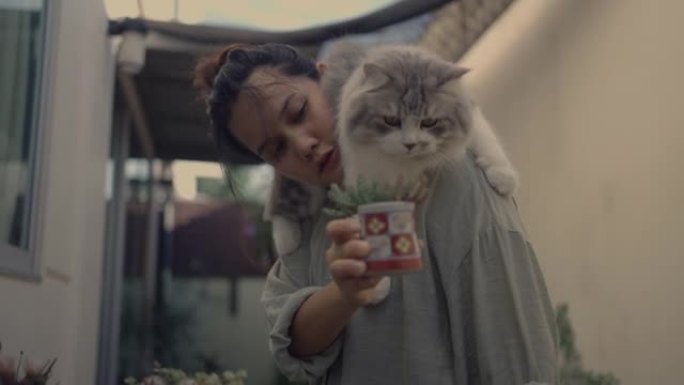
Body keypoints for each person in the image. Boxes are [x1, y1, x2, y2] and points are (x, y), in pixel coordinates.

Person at [194, 43, 558, 385]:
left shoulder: (445, 170)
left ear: (330, 79)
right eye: (276, 149)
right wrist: (345, 293)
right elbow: (292, 340)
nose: (303, 145)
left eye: (300, 112)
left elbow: (516, 352)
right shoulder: (305, 218)